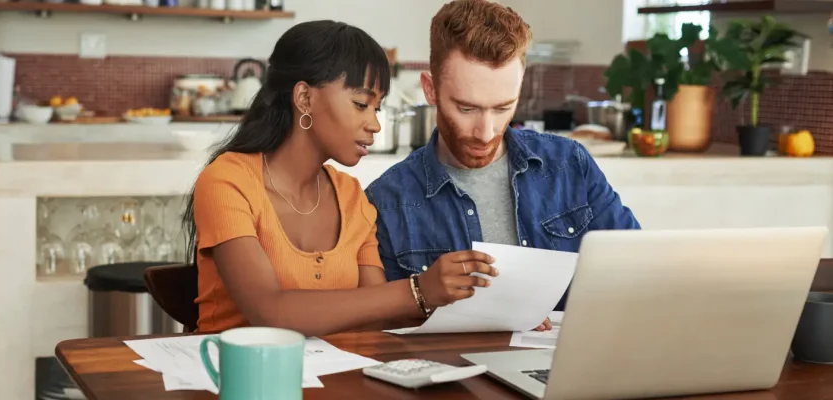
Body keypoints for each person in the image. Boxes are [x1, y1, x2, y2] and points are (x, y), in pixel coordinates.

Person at [181, 20, 501, 337]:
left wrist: (491, 313)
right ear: (305, 98)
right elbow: (269, 311)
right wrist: (418, 289)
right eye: (361, 104)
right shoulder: (228, 182)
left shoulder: (351, 197)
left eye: (377, 108)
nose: (374, 124)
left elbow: (378, 315)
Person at [364, 0, 641, 316]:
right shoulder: (385, 201)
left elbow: (635, 268)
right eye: (467, 109)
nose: (486, 132)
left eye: (502, 108)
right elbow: (386, 331)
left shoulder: (570, 164)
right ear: (430, 89)